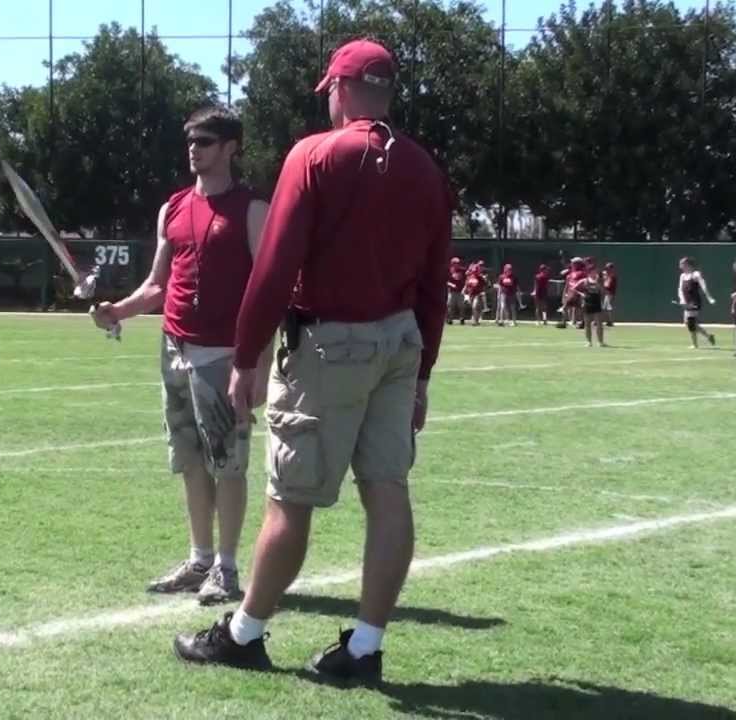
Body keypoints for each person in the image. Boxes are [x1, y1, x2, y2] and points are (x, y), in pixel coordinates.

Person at [172, 39, 452, 684]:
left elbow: (275, 266)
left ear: (341, 90)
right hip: (399, 343)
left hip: (328, 345)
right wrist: (423, 373)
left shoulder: (315, 154)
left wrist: (246, 355)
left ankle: (244, 634)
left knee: (289, 500)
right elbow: (434, 282)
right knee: (388, 491)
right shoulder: (424, 167)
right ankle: (366, 647)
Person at [91, 108, 270, 605]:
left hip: (225, 355)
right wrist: (117, 311)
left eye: (206, 140)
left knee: (227, 464)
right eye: (190, 140)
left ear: (231, 147)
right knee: (190, 459)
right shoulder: (172, 208)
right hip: (174, 348)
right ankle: (200, 560)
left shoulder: (252, 208)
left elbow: (268, 291)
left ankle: (226, 568)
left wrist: (258, 365)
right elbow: (157, 284)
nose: (194, 148)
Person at [677, 256, 717, 349]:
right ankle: (708, 336)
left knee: (690, 322)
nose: (680, 266)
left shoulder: (695, 274)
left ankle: (695, 344)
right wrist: (682, 299)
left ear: (687, 264)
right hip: (686, 301)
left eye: (681, 264)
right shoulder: (682, 276)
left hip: (694, 301)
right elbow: (680, 289)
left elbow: (703, 285)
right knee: (687, 322)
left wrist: (709, 298)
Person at [579, 264, 607, 347]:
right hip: (587, 303)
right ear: (589, 272)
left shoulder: (599, 281)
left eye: (595, 271)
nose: (595, 272)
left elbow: (603, 292)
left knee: (599, 324)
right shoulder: (585, 281)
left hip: (597, 303)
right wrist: (582, 294)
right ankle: (589, 342)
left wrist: (599, 285)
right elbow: (574, 288)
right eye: (593, 271)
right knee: (587, 324)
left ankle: (600, 342)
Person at [464, 260, 488, 326]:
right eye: (475, 269)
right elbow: (467, 285)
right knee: (474, 308)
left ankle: (475, 321)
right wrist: (465, 293)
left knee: (475, 306)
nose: (475, 270)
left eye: (476, 270)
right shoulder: (470, 276)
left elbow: (486, 285)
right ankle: (476, 320)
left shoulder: (480, 277)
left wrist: (485, 279)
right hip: (471, 294)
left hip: (478, 294)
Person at [496, 263, 519, 327]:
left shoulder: (514, 277)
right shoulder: (501, 277)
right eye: (508, 269)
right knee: (502, 307)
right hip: (503, 294)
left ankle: (514, 322)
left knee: (512, 308)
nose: (509, 270)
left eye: (510, 269)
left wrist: (517, 293)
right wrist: (498, 294)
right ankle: (501, 321)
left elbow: (517, 286)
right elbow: (500, 286)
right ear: (505, 269)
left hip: (511, 294)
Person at [446, 257, 465, 325]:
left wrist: (464, 288)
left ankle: (462, 319)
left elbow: (466, 280)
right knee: (451, 306)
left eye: (458, 263)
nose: (457, 264)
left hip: (460, 291)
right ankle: (450, 319)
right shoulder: (449, 271)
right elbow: (446, 281)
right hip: (452, 291)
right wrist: (451, 285)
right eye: (455, 263)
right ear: (452, 264)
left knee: (461, 306)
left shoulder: (462, 270)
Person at [602, 262, 618, 327]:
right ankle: (608, 321)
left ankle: (610, 321)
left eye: (608, 268)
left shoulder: (612, 276)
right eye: (607, 268)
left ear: (611, 268)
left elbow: (607, 285)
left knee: (608, 307)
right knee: (605, 307)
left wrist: (605, 278)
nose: (607, 270)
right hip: (607, 293)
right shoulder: (608, 275)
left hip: (610, 293)